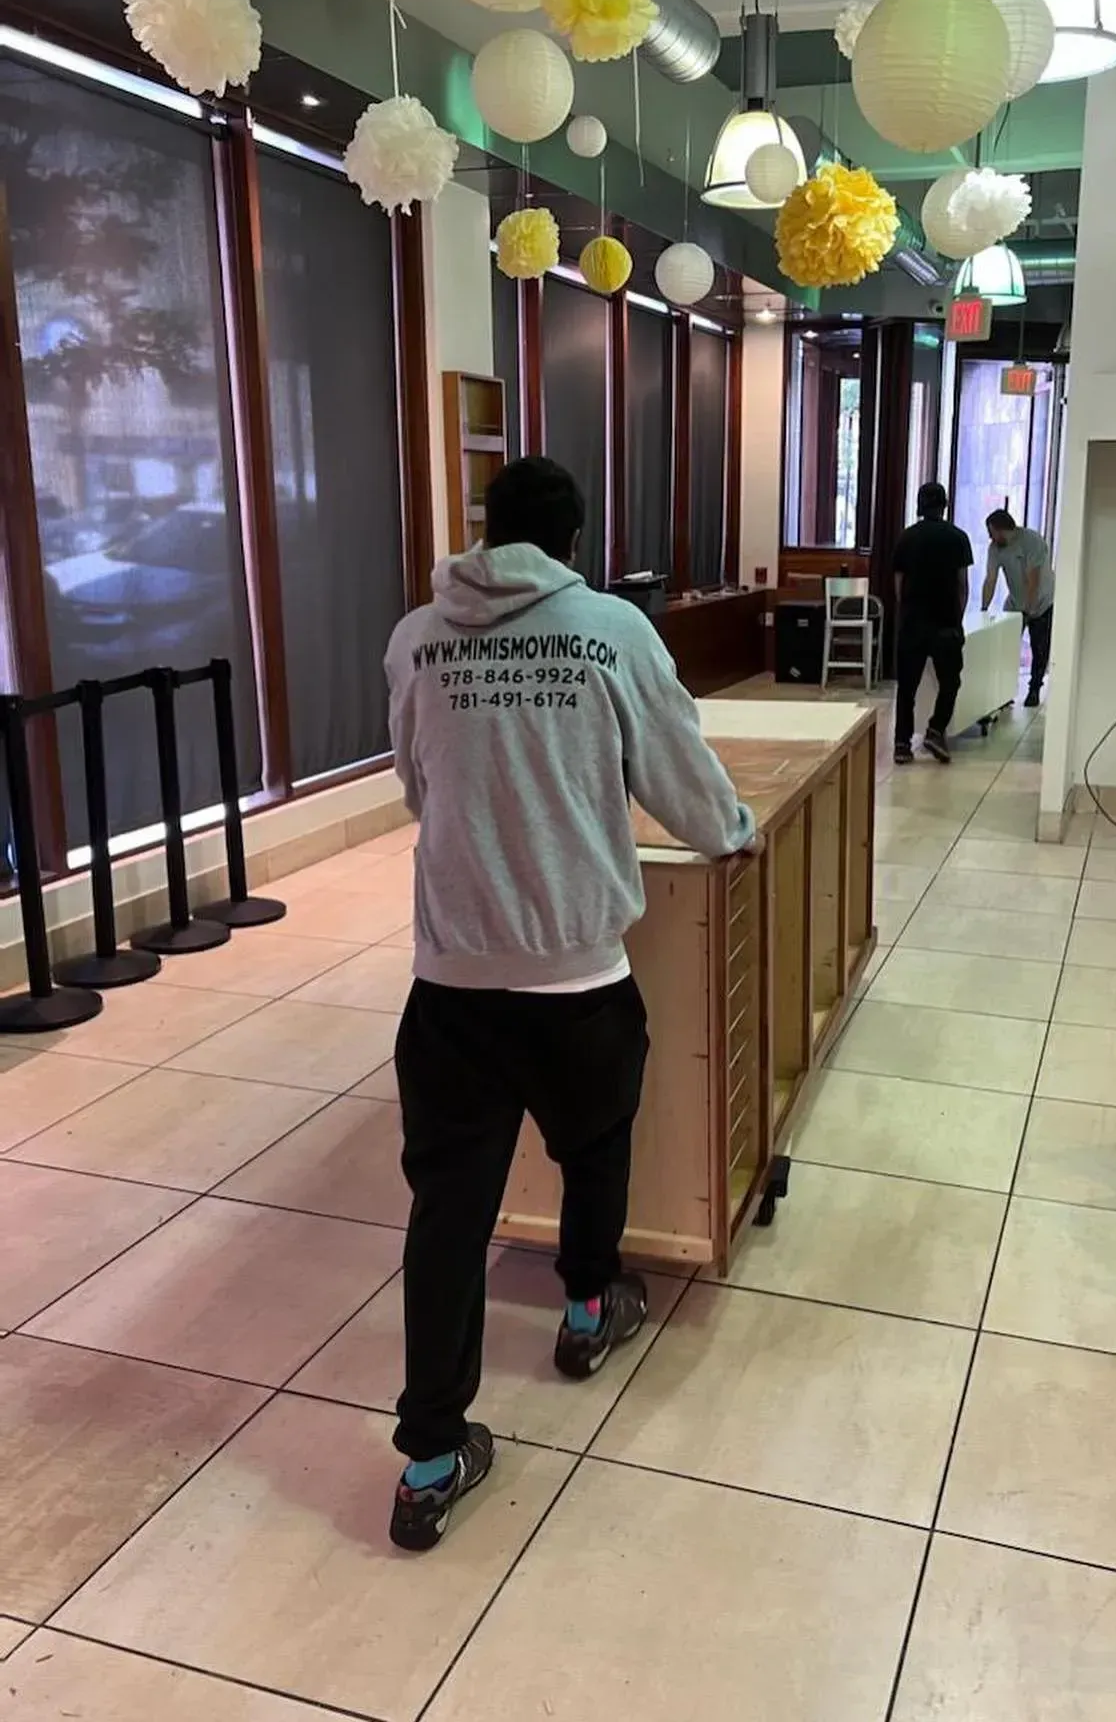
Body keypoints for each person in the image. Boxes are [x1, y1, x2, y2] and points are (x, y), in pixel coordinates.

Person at [383, 455, 756, 1552]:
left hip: (449, 984)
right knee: (595, 1149)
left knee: (447, 1211)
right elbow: (677, 767)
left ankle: (430, 1458)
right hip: (578, 979)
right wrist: (730, 833)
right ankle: (589, 1311)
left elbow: (418, 779)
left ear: (487, 529)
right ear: (573, 540)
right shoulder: (611, 628)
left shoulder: (418, 635)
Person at [891, 481, 973, 765]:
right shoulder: (958, 537)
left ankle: (901, 744)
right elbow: (963, 586)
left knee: (907, 688)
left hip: (913, 623)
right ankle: (935, 731)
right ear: (944, 505)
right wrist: (958, 619)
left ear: (919, 504)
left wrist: (907, 614)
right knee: (950, 682)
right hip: (946, 623)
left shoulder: (906, 538)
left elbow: (899, 585)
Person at [981, 508, 1055, 708]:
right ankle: (1005, 692)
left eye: (992, 532)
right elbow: (991, 579)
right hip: (1015, 603)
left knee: (1040, 648)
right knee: (1006, 647)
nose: (990, 537)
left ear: (1003, 529)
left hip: (1042, 602)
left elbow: (1034, 579)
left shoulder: (1032, 541)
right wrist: (984, 608)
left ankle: (1034, 689)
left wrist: (1030, 610)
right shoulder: (995, 549)